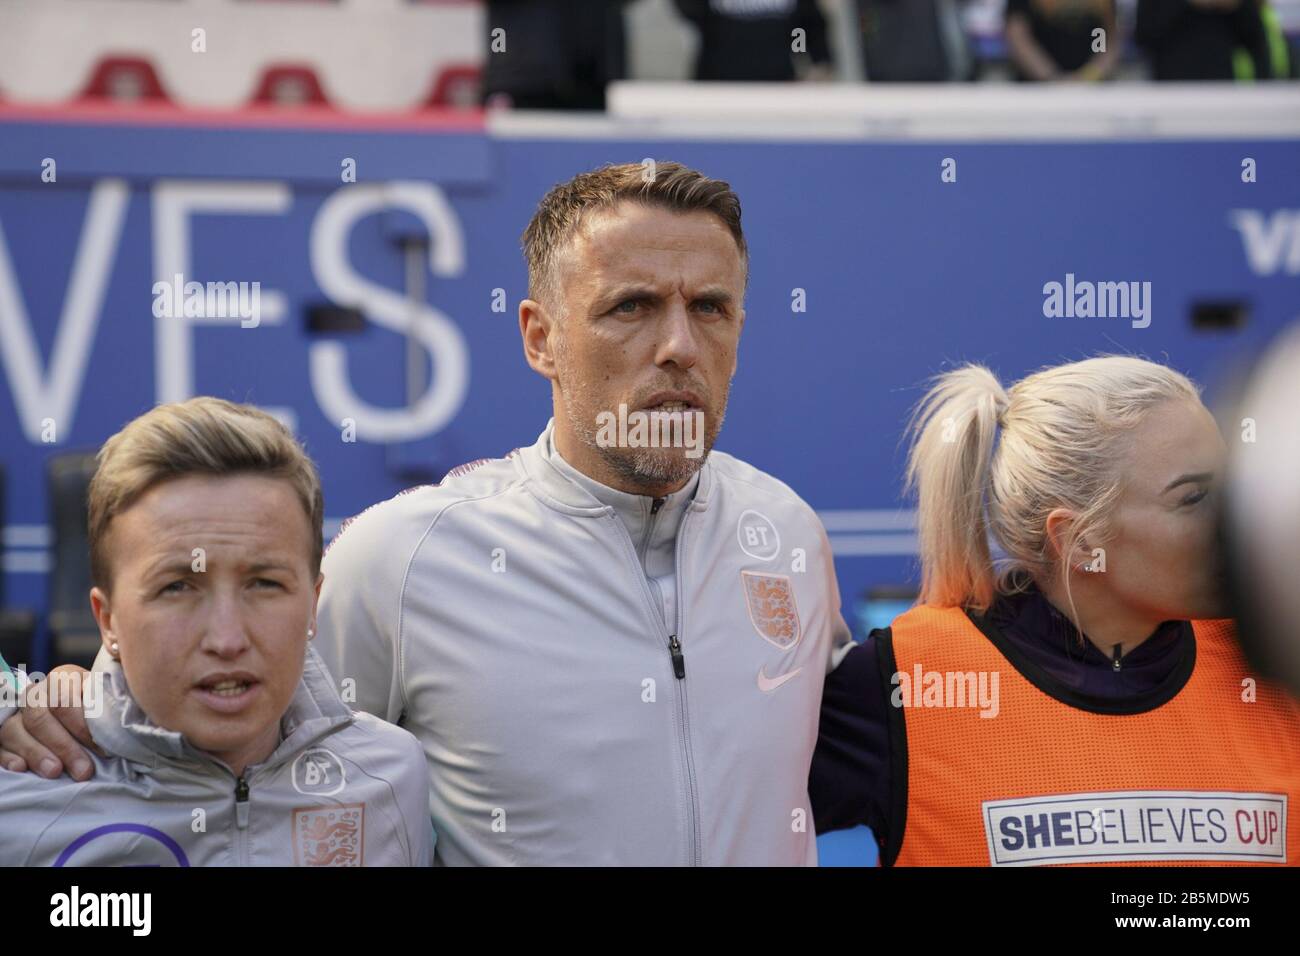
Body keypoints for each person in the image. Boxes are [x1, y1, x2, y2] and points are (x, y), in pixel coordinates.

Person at [3, 162, 853, 866]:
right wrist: (55, 700)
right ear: (539, 338)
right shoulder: (403, 558)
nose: (678, 345)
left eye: (710, 308)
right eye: (631, 306)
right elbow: (227, 719)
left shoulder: (786, 534)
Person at [810, 356, 1300, 866]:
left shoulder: (1278, 657)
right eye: (1194, 498)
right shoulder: (905, 684)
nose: (1231, 519)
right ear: (1079, 540)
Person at [0, 398, 432, 866]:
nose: (227, 640)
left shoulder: (390, 776)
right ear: (108, 621)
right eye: (178, 587)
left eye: (264, 583)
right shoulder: (20, 794)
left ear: (312, 602)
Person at [1005, 0, 1121, 81]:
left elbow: (1110, 37)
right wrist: (1052, 77)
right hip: (1037, 90)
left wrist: (1090, 75)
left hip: (1094, 90)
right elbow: (1018, 36)